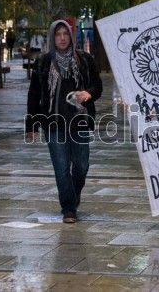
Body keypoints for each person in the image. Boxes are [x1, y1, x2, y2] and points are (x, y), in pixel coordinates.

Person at [26, 20, 103, 223]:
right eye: (58, 34)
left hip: (80, 122)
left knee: (81, 166)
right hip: (53, 124)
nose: (62, 38)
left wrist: (89, 93)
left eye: (65, 34)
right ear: (52, 37)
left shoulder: (84, 60)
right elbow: (34, 94)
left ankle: (73, 195)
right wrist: (31, 124)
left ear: (71, 36)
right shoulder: (43, 62)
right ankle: (69, 208)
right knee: (61, 168)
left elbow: (97, 85)